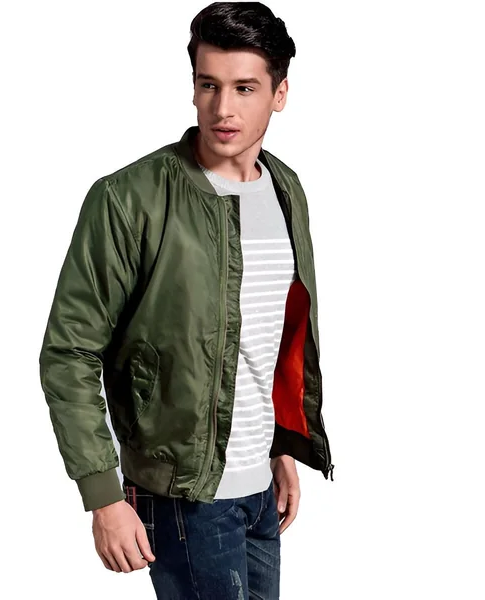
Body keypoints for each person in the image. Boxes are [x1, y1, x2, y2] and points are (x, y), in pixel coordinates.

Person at [38, 2, 334, 598]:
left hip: (260, 489)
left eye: (245, 88)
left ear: (279, 94)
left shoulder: (286, 189)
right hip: (182, 497)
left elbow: (271, 336)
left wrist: (281, 445)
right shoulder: (129, 198)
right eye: (208, 85)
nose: (223, 109)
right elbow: (69, 352)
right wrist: (103, 495)